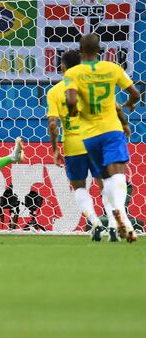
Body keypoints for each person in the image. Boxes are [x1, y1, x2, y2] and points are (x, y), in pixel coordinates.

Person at [65, 34, 141, 243]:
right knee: (116, 176)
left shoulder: (73, 73)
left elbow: (70, 100)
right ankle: (120, 215)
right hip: (112, 130)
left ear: (80, 52)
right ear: (100, 51)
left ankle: (117, 218)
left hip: (89, 135)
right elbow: (135, 93)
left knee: (104, 179)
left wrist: (74, 113)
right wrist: (130, 104)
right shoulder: (113, 69)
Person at [47, 50, 120, 242]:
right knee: (105, 185)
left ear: (62, 68)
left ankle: (95, 222)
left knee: (79, 187)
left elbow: (53, 124)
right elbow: (116, 108)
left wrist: (55, 149)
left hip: (73, 146)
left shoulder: (55, 92)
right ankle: (113, 223)